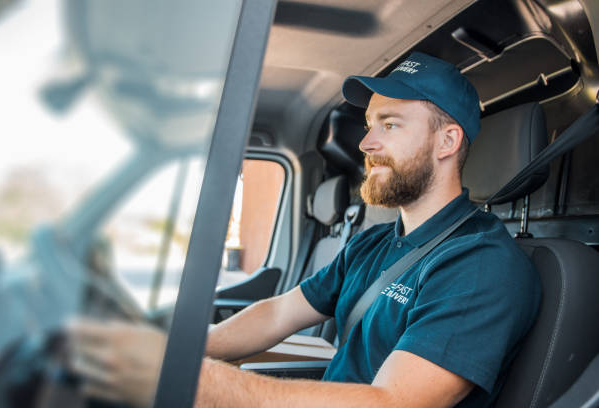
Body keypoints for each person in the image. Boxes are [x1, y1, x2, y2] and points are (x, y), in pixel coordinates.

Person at [68, 52, 541, 408]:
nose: (366, 142)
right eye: (370, 123)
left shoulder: (479, 264)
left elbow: (392, 403)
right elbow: (278, 314)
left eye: (390, 125)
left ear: (447, 141)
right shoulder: (374, 242)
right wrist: (180, 348)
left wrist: (198, 383)